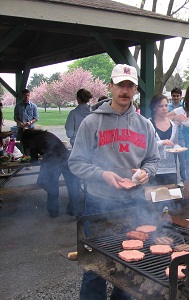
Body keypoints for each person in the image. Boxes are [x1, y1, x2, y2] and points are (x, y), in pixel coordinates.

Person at [68, 64, 159, 300]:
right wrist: (102, 174)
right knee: (96, 266)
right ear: (111, 86)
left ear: (135, 90)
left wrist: (146, 172)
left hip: (133, 203)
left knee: (129, 264)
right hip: (99, 203)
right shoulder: (92, 122)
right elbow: (75, 163)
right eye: (120, 85)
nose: (124, 91)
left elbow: (153, 160)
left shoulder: (145, 125)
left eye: (129, 86)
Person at [21, 129, 81, 218]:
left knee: (52, 186)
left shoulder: (33, 140)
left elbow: (34, 160)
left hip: (53, 162)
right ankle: (74, 210)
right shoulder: (46, 134)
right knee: (72, 186)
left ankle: (53, 212)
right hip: (67, 158)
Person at [149, 94, 178, 185]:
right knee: (155, 197)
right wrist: (162, 142)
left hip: (171, 169)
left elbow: (175, 144)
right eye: (161, 106)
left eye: (166, 105)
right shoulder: (148, 124)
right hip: (154, 169)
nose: (165, 108)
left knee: (171, 197)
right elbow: (145, 145)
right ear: (154, 108)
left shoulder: (174, 125)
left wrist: (178, 147)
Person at [168, 87, 186, 187]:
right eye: (174, 96)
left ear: (180, 96)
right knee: (172, 160)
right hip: (171, 137)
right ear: (171, 96)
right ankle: (174, 179)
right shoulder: (168, 106)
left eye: (177, 96)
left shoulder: (184, 106)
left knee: (183, 161)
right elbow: (164, 117)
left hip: (182, 137)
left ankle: (184, 179)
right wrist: (173, 119)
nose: (175, 98)